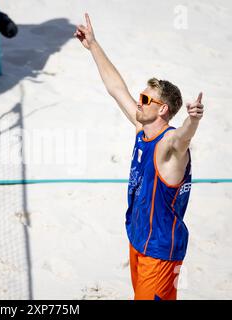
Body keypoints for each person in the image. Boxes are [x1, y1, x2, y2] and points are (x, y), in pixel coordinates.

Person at [74, 13, 204, 300]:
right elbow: (115, 89)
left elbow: (183, 137)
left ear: (162, 110)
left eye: (145, 100)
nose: (138, 102)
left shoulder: (169, 144)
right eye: (141, 97)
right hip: (138, 239)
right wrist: (93, 45)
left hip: (160, 251)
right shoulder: (141, 128)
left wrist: (193, 121)